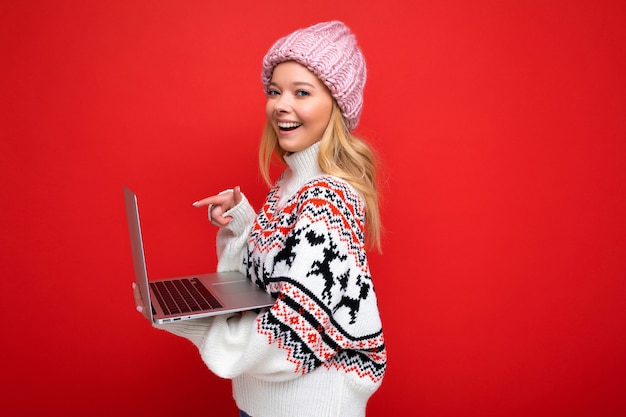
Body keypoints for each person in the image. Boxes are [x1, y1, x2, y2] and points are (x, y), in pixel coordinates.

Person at [132, 20, 386, 417]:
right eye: (274, 91)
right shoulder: (291, 183)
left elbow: (289, 334)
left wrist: (194, 325)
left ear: (337, 106)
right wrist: (244, 226)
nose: (280, 104)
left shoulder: (329, 199)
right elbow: (261, 286)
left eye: (301, 92)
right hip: (262, 404)